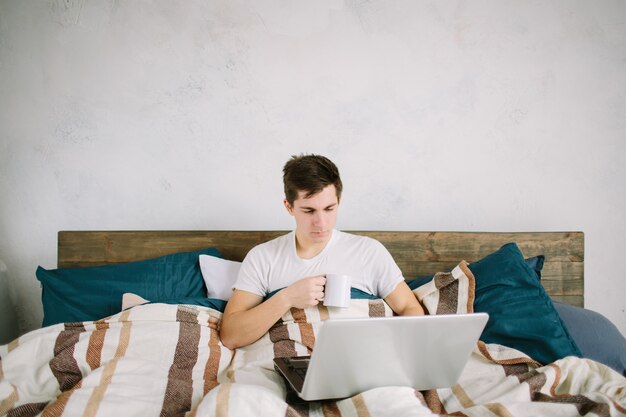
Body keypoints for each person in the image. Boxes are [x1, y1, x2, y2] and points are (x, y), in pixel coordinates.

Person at [220, 154, 424, 349]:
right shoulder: (263, 257)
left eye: (329, 209)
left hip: (361, 357)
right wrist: (287, 298)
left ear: (338, 203)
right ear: (289, 207)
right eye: (309, 211)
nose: (321, 222)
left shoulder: (368, 252)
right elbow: (230, 335)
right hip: (287, 362)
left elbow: (410, 308)